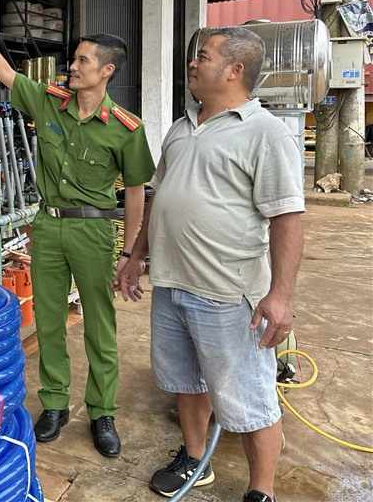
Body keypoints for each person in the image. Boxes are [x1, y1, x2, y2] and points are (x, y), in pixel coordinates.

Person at [0, 2, 155, 457]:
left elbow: (134, 191)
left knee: (99, 328)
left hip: (93, 234)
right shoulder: (49, 100)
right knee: (48, 322)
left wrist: (129, 253)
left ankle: (102, 411)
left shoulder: (126, 129)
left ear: (106, 70)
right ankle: (53, 404)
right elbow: (5, 74)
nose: (74, 65)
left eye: (83, 60)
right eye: (74, 58)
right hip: (46, 228)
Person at [117, 27, 304, 502]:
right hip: (173, 283)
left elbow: (286, 219)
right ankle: (196, 460)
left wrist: (280, 296)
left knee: (249, 399)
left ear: (235, 70)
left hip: (228, 293)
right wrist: (136, 255)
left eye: (203, 56)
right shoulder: (181, 128)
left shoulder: (265, 133)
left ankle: (261, 490)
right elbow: (158, 198)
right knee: (185, 382)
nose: (193, 64)